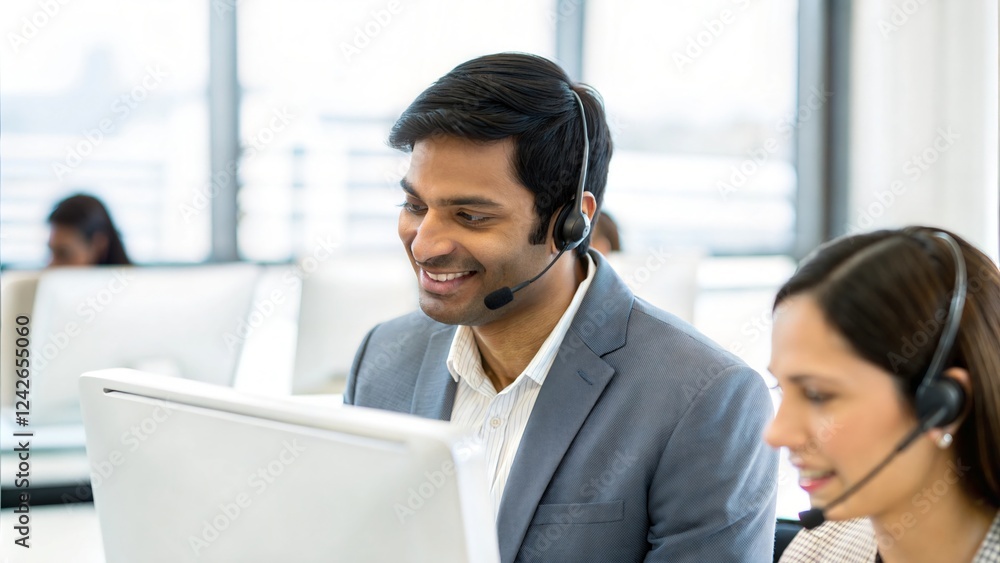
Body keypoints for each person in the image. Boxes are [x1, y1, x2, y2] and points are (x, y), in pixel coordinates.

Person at [344, 53, 777, 562]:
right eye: (416, 206)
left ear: (571, 221)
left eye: (470, 216)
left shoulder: (705, 399)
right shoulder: (384, 358)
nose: (424, 245)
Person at [765, 226, 1000, 562]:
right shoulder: (817, 551)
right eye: (781, 389)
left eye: (818, 395)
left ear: (945, 405)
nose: (777, 434)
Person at [47, 193, 131, 266]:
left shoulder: (137, 283)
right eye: (52, 252)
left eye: (64, 254)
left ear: (98, 245)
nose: (51, 265)